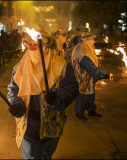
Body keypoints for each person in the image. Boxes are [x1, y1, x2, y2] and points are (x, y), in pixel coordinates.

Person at [7, 30, 79, 159]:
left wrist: (58, 95)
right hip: (28, 121)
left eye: (35, 44)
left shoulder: (62, 67)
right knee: (31, 156)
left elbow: (72, 88)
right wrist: (16, 103)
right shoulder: (19, 68)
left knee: (47, 154)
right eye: (29, 44)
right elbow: (13, 90)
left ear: (46, 47)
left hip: (53, 120)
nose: (31, 48)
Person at [71, 32, 110, 120]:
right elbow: (90, 66)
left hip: (89, 77)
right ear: (87, 41)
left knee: (90, 94)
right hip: (82, 78)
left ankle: (91, 110)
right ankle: (79, 112)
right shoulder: (82, 51)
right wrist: (102, 74)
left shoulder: (85, 48)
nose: (93, 41)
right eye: (92, 39)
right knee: (83, 95)